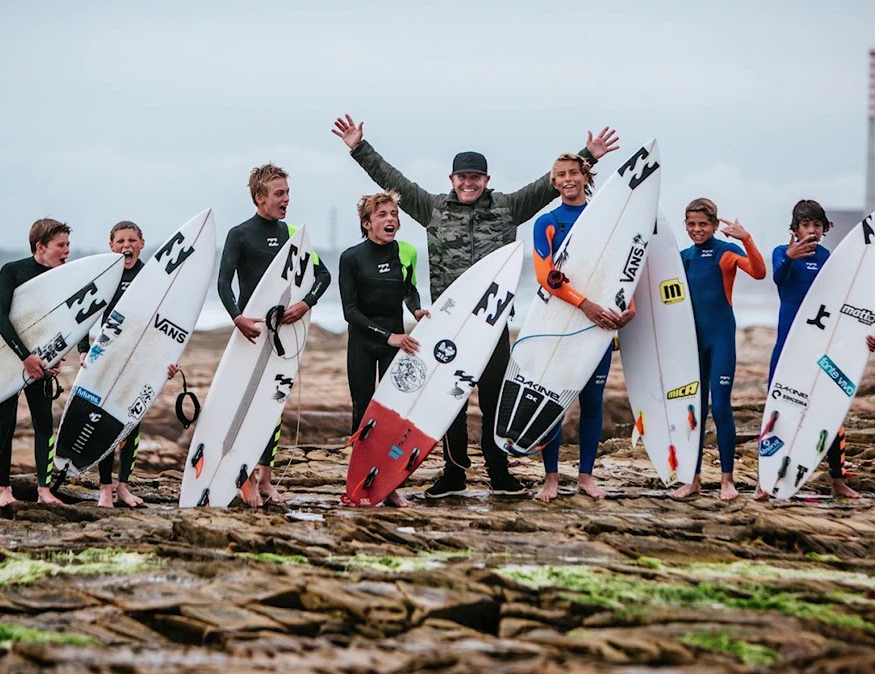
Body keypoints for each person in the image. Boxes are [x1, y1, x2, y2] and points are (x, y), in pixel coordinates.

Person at [332, 114, 620, 499]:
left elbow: (546, 186)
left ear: (486, 180)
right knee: (449, 399)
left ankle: (498, 472)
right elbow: (392, 179)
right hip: (449, 326)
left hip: (491, 323)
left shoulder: (506, 207)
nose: (468, 183)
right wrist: (358, 148)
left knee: (494, 399)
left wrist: (590, 155)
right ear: (452, 180)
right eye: (462, 177)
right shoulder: (432, 208)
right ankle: (454, 475)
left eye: (475, 177)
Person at [217, 163, 331, 507]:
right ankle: (245, 478)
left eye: (287, 193)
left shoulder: (291, 234)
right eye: (279, 193)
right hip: (250, 334)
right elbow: (223, 282)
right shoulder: (239, 234)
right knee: (245, 405)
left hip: (282, 337)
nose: (286, 200)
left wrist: (305, 305)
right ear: (259, 197)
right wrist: (237, 318)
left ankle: (265, 480)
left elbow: (322, 275)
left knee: (273, 407)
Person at [757, 199, 875, 500]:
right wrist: (789, 256)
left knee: (830, 413)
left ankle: (837, 481)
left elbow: (848, 306)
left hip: (822, 350)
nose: (811, 230)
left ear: (824, 228)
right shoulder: (780, 253)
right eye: (805, 225)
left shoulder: (832, 259)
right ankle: (764, 481)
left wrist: (869, 336)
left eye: (816, 225)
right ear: (795, 229)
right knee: (780, 412)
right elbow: (778, 278)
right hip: (788, 349)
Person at [531, 154, 635, 502]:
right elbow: (545, 277)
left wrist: (628, 310)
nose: (567, 179)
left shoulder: (605, 219)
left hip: (599, 327)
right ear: (554, 182)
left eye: (573, 172)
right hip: (560, 324)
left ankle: (586, 477)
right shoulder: (547, 222)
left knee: (593, 402)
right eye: (560, 174)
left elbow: (625, 271)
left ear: (585, 176)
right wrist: (585, 305)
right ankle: (550, 478)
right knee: (554, 404)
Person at [76, 220, 181, 508]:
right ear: (111, 246)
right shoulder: (105, 276)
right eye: (120, 241)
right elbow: (83, 317)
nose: (127, 246)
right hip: (109, 357)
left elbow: (167, 322)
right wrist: (84, 351)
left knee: (132, 422)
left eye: (132, 240)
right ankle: (105, 489)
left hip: (142, 358)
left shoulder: (153, 276)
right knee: (106, 421)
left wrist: (169, 360)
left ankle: (124, 487)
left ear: (142, 243)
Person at [339, 191, 431, 507]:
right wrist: (387, 335)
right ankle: (358, 484)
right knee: (364, 415)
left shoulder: (405, 252)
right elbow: (349, 311)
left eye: (393, 214)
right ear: (366, 223)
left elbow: (409, 289)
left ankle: (390, 487)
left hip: (396, 345)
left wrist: (417, 310)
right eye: (382, 215)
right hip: (364, 345)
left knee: (395, 416)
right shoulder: (351, 258)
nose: (391, 219)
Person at [672, 198, 766, 501]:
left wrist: (746, 239)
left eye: (703, 224)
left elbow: (759, 272)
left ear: (714, 225)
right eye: (691, 224)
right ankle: (693, 479)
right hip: (691, 343)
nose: (697, 229)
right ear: (685, 225)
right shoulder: (682, 258)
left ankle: (727, 480)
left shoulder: (726, 252)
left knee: (721, 407)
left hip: (721, 337)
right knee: (694, 411)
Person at [0, 218, 70, 507]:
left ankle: (44, 490)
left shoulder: (63, 278)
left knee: (44, 425)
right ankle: (3, 490)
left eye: (67, 245)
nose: (66, 251)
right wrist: (25, 357)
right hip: (12, 359)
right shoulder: (12, 271)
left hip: (41, 363)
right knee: (6, 423)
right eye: (60, 245)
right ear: (40, 247)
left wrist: (58, 354)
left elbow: (63, 324)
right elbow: (1, 318)